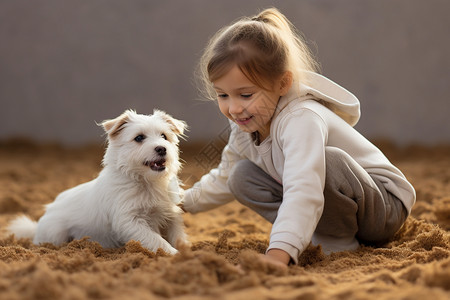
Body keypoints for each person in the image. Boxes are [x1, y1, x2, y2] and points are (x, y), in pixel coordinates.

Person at [181, 7, 416, 267]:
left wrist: (277, 255)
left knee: (330, 161)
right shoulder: (245, 125)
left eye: (245, 95)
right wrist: (180, 203)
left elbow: (304, 188)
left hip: (382, 209)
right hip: (332, 202)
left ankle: (336, 241)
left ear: (282, 84)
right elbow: (224, 175)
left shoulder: (300, 119)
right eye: (223, 95)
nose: (234, 108)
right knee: (240, 175)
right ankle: (313, 231)